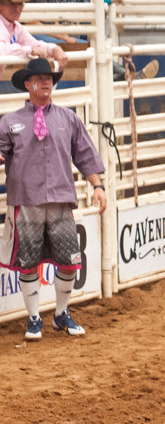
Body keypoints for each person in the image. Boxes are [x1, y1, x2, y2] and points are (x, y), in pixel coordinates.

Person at [0, 57, 105, 341]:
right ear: (28, 83)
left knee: (70, 260)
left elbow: (85, 154)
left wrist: (98, 186)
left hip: (60, 200)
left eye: (49, 78)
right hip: (27, 201)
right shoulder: (10, 123)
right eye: (40, 77)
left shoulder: (68, 118)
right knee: (28, 262)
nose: (46, 82)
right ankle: (34, 318)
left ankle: (60, 313)